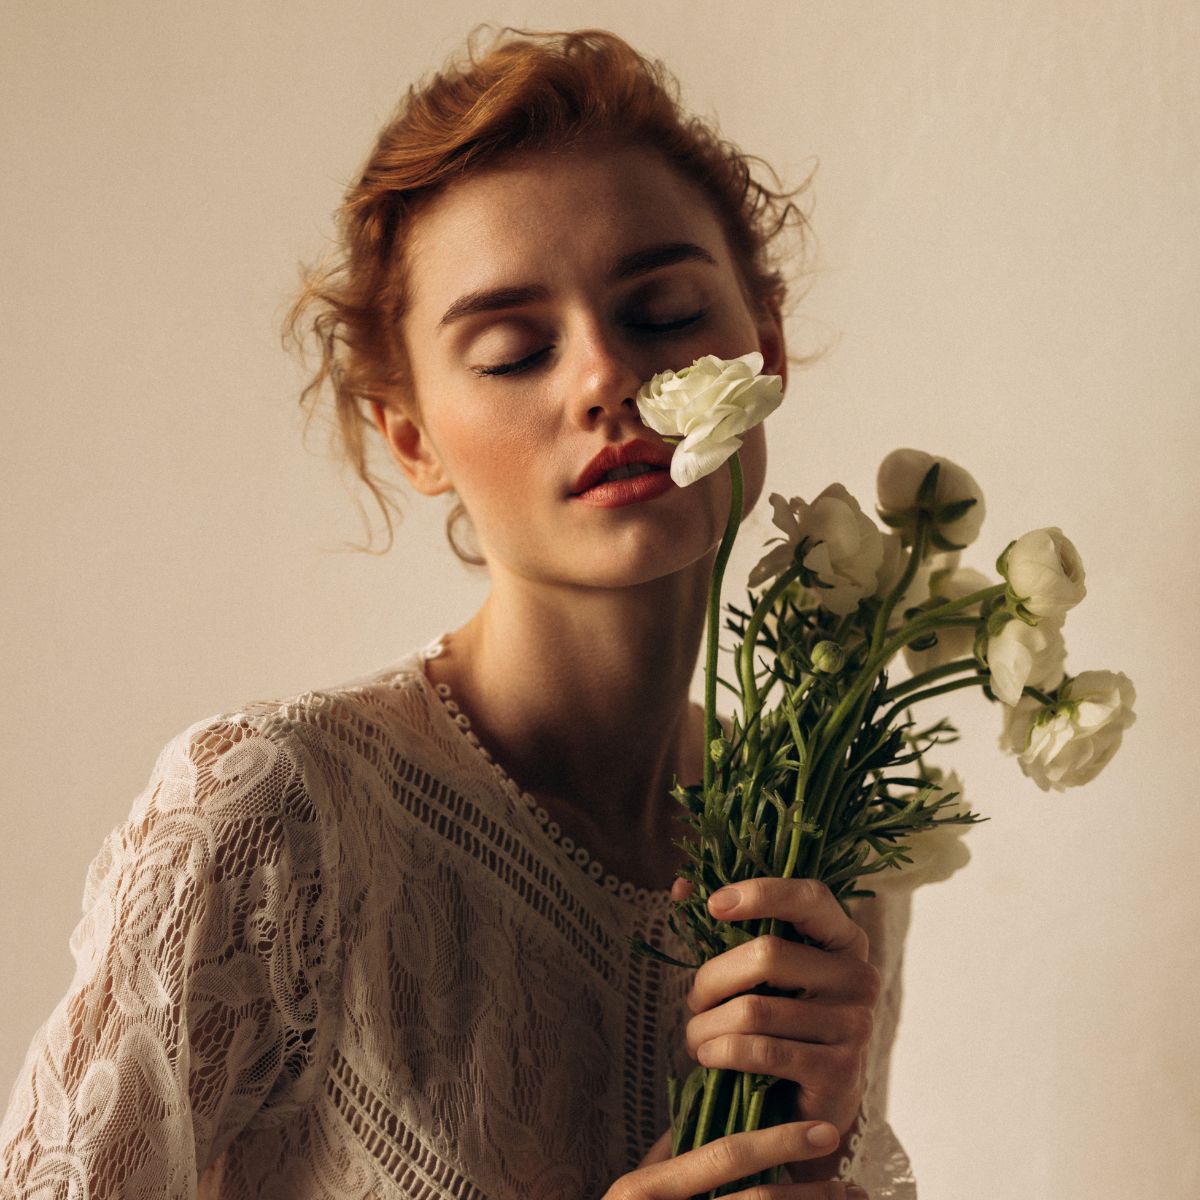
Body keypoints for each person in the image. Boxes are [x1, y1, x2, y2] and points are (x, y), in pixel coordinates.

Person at [0, 27, 917, 1199]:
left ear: (765, 345)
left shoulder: (825, 841)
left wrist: (810, 1165)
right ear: (412, 438)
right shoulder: (275, 814)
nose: (602, 379)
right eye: (514, 349)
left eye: (664, 314)